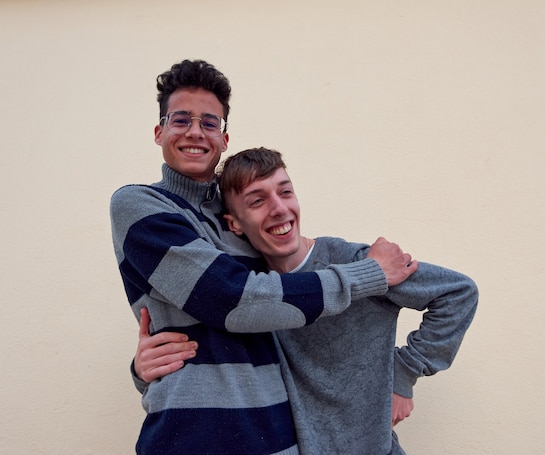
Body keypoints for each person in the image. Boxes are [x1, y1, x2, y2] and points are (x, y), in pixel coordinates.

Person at [110, 59, 416, 455]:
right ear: (159, 132)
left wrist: (397, 374)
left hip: (277, 436)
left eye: (209, 123)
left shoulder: (241, 215)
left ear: (224, 138)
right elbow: (232, 300)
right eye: (181, 120)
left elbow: (283, 300)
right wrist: (367, 274)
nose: (195, 133)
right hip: (190, 437)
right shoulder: (140, 204)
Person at [135, 147, 479, 454]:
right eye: (258, 201)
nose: (279, 209)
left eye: (285, 192)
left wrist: (404, 374)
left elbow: (457, 292)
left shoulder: (357, 263)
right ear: (234, 224)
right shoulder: (249, 294)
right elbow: (213, 355)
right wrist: (142, 370)